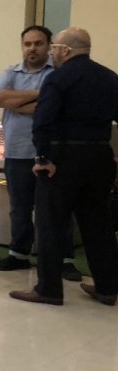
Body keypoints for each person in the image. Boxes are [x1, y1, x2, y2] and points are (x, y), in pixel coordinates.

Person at [10, 28, 118, 307]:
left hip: (63, 157)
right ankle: (107, 287)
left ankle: (48, 289)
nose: (52, 53)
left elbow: (42, 120)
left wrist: (42, 158)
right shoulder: (110, 77)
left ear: (65, 50)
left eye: (54, 48)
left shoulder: (58, 78)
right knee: (98, 223)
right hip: (100, 155)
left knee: (50, 223)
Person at [0, 27, 78, 279]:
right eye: (27, 43)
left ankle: (64, 259)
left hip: (51, 153)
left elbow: (60, 107)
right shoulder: (11, 72)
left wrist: (17, 101)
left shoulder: (58, 72)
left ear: (49, 46)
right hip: (16, 151)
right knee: (19, 207)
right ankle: (19, 254)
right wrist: (42, 95)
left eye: (38, 43)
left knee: (57, 208)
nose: (32, 48)